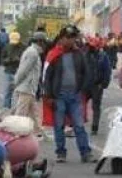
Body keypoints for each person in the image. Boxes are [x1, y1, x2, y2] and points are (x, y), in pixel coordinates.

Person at [43, 25, 93, 163]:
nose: (72, 41)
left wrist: (82, 89)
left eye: (73, 38)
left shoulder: (79, 54)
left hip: (75, 96)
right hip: (58, 96)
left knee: (79, 125)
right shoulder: (53, 55)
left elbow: (86, 73)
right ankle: (61, 153)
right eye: (69, 38)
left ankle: (85, 153)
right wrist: (49, 96)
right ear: (62, 38)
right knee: (58, 126)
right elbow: (47, 78)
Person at [13, 31, 48, 132]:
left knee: (33, 113)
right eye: (44, 42)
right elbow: (23, 70)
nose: (45, 45)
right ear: (40, 42)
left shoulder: (33, 52)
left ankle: (38, 132)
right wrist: (16, 82)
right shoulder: (32, 53)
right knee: (20, 113)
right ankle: (15, 132)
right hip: (26, 87)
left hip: (30, 87)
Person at [85, 37, 111, 135]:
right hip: (86, 86)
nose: (90, 47)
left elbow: (107, 72)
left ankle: (94, 127)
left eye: (92, 46)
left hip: (97, 86)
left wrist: (103, 84)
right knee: (80, 106)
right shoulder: (85, 55)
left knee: (95, 107)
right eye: (89, 45)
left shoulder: (103, 56)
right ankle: (78, 125)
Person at [1, 31, 24, 109]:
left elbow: (27, 61)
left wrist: (19, 59)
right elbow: (2, 60)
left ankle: (19, 110)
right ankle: (6, 109)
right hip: (8, 71)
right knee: (7, 92)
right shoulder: (6, 47)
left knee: (20, 93)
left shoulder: (24, 47)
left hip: (19, 72)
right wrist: (7, 60)